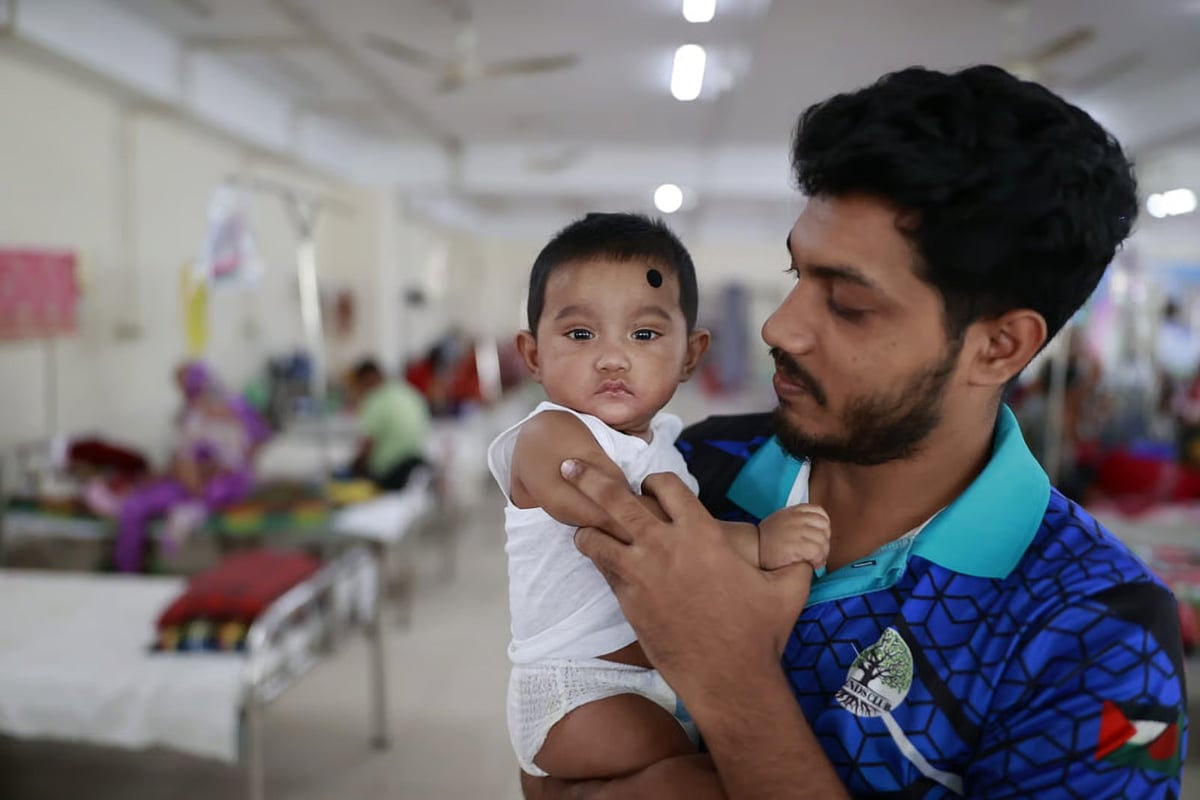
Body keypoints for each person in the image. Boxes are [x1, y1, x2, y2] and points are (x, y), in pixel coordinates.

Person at [524, 65, 1186, 798]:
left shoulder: (1099, 631)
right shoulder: (696, 467)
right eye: (796, 272)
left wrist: (730, 678)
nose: (781, 327)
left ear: (999, 347)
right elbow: (547, 758)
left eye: (845, 303)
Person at [488, 213, 832, 781]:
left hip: (651, 684)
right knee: (704, 779)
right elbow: (634, 527)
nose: (612, 357)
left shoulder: (669, 443)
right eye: (580, 334)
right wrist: (757, 542)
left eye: (644, 335)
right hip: (578, 691)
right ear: (532, 355)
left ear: (690, 355)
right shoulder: (549, 434)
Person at [111, 360, 270, 573]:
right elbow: (183, 459)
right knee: (133, 507)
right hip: (190, 486)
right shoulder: (188, 418)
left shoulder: (238, 411)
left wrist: (213, 470)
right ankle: (127, 574)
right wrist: (186, 474)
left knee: (216, 491)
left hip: (222, 485)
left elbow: (251, 451)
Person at [347, 358, 431, 490]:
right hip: (417, 464)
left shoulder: (375, 399)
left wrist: (353, 467)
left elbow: (368, 444)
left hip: (390, 473)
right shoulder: (407, 392)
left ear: (366, 379)